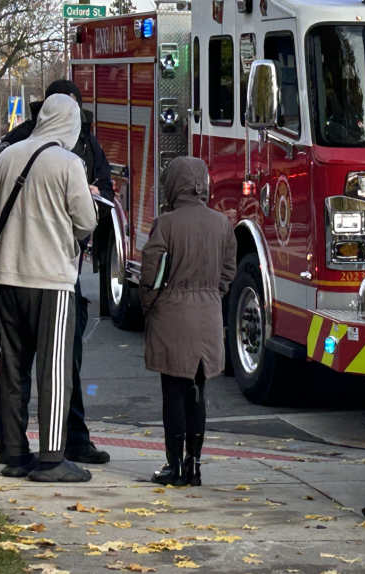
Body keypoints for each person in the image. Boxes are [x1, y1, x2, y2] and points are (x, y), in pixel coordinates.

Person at [0, 79, 112, 466]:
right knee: (54, 371)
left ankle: (13, 452)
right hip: (52, 280)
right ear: (71, 124)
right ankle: (52, 458)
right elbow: (85, 221)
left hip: (8, 275)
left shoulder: (8, 156)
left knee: (13, 368)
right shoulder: (70, 163)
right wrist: (90, 201)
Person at [139, 157, 236, 486]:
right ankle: (195, 465)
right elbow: (228, 272)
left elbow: (152, 274)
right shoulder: (222, 224)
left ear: (174, 184)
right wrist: (213, 295)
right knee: (197, 391)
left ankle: (173, 466)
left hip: (172, 316)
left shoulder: (166, 224)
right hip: (207, 315)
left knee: (173, 394)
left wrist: (148, 305)